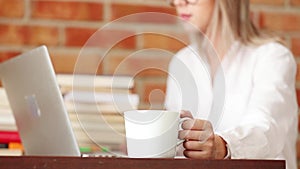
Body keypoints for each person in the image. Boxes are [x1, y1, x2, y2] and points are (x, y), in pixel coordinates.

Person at [164, 0, 298, 169]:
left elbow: (267, 130)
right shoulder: (182, 62)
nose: (179, 3)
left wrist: (222, 146)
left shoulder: (272, 57)